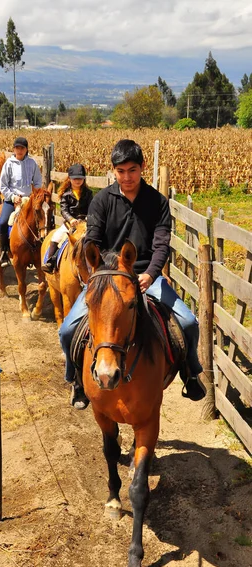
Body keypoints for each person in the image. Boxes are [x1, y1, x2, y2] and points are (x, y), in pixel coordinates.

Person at [59, 139, 206, 409]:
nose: (127, 177)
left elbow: (161, 243)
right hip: (108, 279)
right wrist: (104, 273)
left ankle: (191, 372)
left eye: (133, 170)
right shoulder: (102, 201)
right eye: (121, 171)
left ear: (142, 168)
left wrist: (151, 274)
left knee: (188, 322)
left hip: (146, 276)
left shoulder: (157, 202)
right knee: (67, 330)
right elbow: (93, 240)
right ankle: (76, 380)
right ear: (114, 171)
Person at [0, 137, 42, 268]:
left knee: (41, 222)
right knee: (3, 222)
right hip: (12, 200)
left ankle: (40, 252)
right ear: (14, 149)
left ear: (26, 149)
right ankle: (4, 252)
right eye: (17, 148)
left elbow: (38, 182)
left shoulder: (32, 164)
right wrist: (12, 197)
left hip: (29, 200)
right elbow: (3, 185)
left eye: (22, 148)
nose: (19, 150)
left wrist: (34, 195)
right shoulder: (8, 164)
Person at [42, 163, 93, 274]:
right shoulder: (66, 194)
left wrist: (88, 218)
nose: (78, 181)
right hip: (70, 224)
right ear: (69, 179)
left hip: (85, 224)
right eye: (75, 178)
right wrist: (71, 219)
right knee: (56, 237)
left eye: (80, 178)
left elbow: (91, 208)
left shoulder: (89, 193)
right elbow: (64, 210)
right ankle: (50, 262)